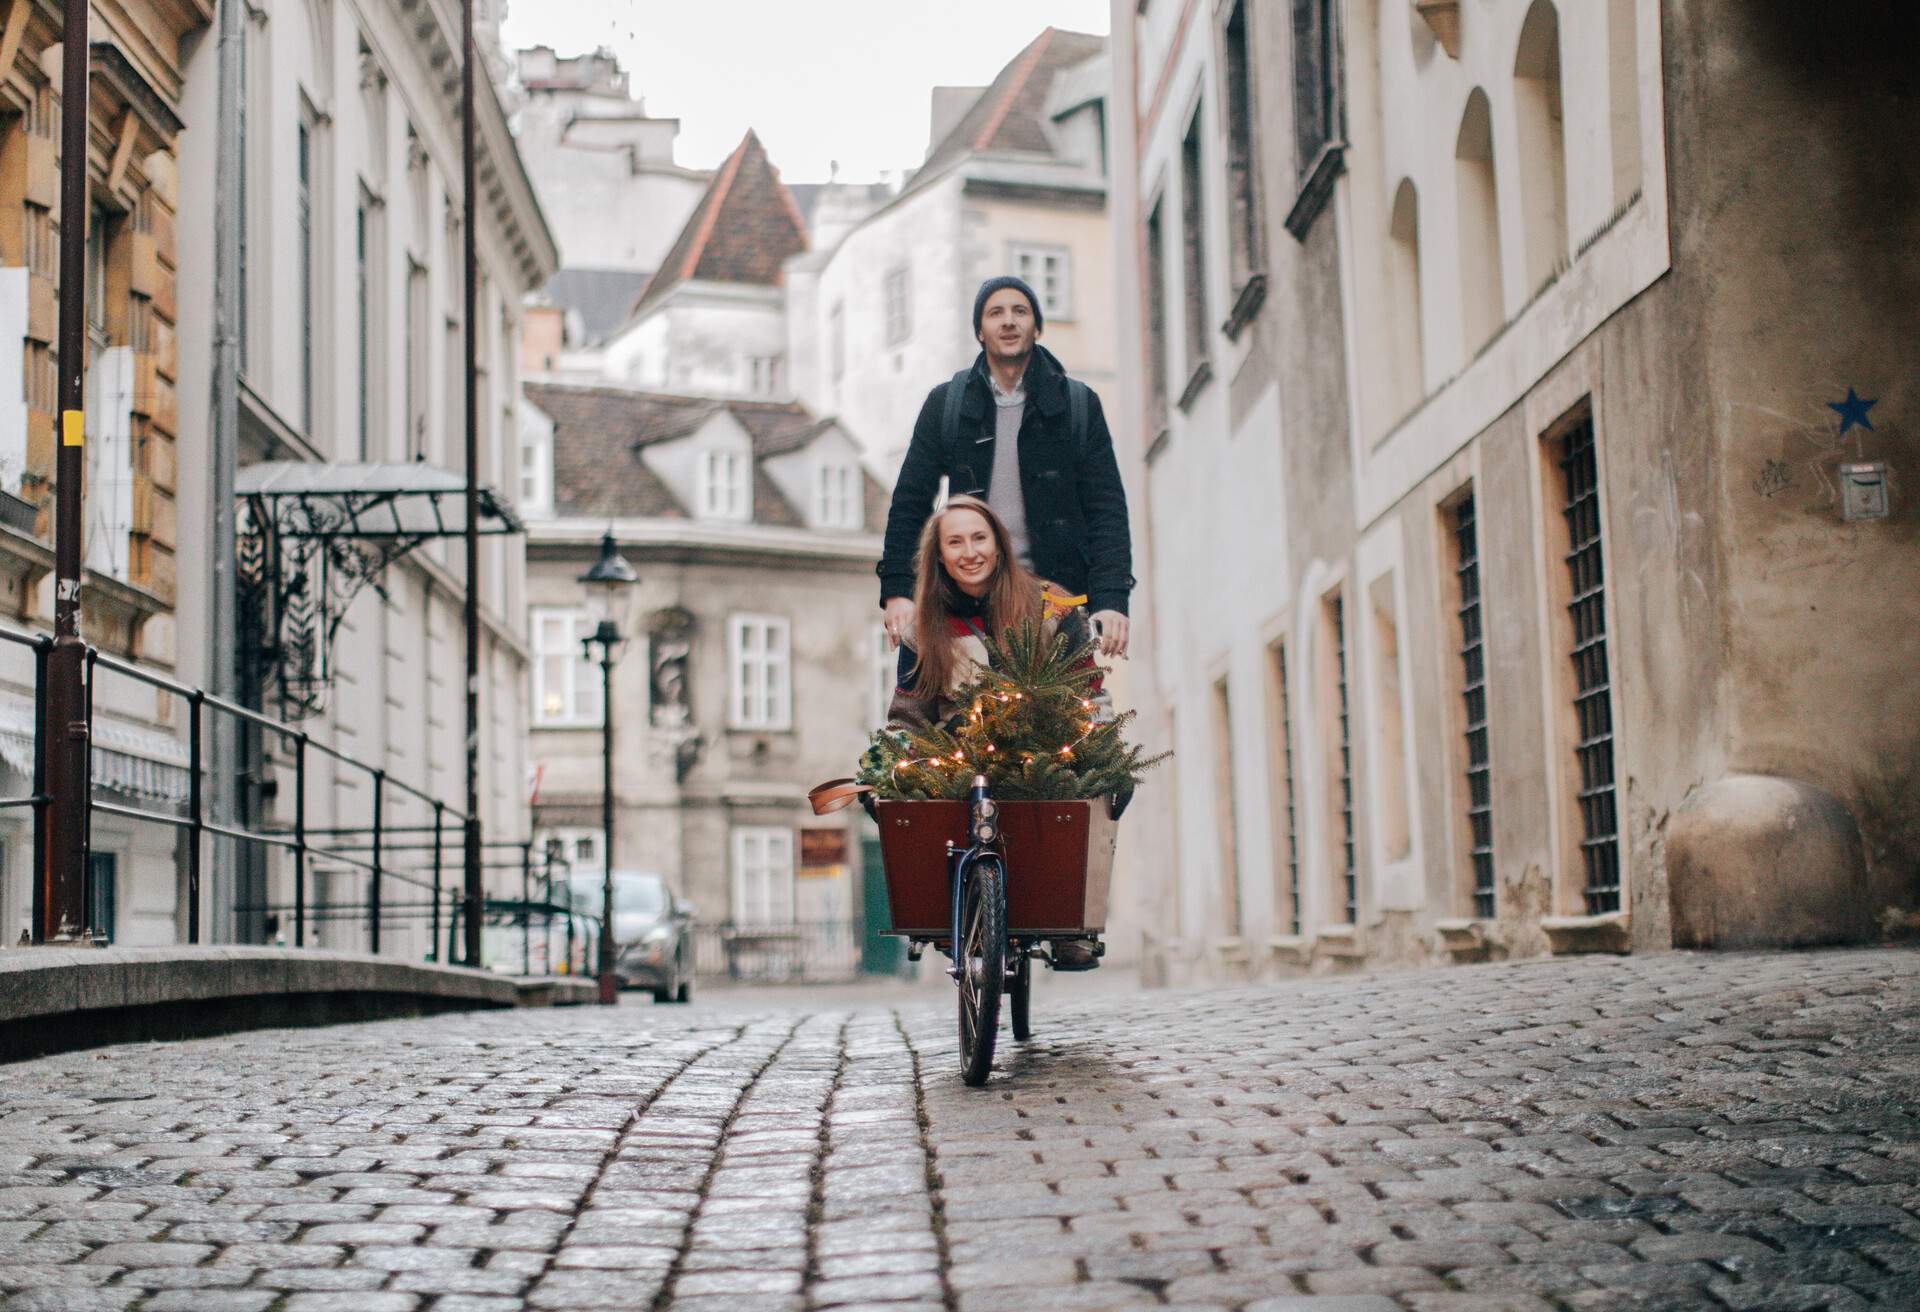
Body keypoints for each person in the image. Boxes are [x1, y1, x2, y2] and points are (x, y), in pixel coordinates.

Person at [887, 495, 1106, 969]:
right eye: (955, 542)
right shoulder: (923, 628)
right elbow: (908, 714)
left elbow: (1088, 686)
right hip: (958, 754)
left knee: (1087, 791)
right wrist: (896, 758)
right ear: (939, 555)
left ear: (1000, 545)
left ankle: (1067, 923)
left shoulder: (1051, 606)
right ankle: (950, 915)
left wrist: (1096, 737)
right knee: (899, 800)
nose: (970, 552)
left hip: (1046, 747)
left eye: (979, 538)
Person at [878, 275, 1134, 661]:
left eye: (1021, 311)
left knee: (1071, 718)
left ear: (1037, 326)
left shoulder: (1079, 405)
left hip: (1057, 604)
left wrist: (1111, 598)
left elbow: (1107, 509)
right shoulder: (947, 405)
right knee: (959, 716)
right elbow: (910, 502)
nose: (1009, 321)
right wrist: (899, 591)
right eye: (995, 313)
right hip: (967, 600)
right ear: (980, 331)